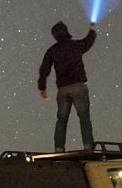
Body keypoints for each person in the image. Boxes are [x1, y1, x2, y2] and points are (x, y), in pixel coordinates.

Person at [37, 21, 97, 152]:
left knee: (61, 119)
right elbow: (88, 42)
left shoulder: (52, 51)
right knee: (84, 117)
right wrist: (92, 29)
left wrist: (42, 87)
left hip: (62, 90)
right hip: (78, 86)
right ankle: (88, 146)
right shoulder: (75, 45)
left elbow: (44, 69)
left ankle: (59, 148)